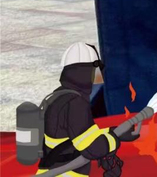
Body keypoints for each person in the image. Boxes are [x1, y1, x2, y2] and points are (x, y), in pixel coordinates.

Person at [35, 43, 140, 177]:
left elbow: (78, 136)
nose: (99, 75)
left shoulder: (58, 95)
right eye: (98, 69)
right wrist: (114, 139)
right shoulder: (75, 103)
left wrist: (113, 131)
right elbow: (93, 149)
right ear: (89, 70)